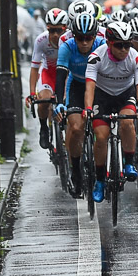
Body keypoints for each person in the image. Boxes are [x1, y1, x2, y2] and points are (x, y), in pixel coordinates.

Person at [83, 20, 138, 203]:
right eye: (119, 45)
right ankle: (100, 181)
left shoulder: (135, 58)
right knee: (101, 136)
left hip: (124, 94)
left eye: (127, 45)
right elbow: (90, 87)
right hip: (101, 96)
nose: (124, 50)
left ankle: (128, 163)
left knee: (127, 122)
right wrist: (88, 109)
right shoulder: (96, 57)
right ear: (109, 43)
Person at [55, 12, 107, 196]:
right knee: (76, 128)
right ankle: (75, 171)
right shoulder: (67, 47)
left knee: (103, 127)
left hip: (99, 86)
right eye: (80, 38)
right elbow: (60, 76)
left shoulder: (102, 45)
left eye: (88, 38)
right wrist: (59, 103)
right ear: (73, 36)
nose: (84, 42)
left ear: (95, 36)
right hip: (76, 86)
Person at [29, 9, 68, 149]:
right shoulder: (41, 40)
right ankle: (44, 128)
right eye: (52, 31)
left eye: (59, 30)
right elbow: (34, 68)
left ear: (66, 28)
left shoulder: (70, 39)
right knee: (43, 100)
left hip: (66, 75)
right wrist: (33, 93)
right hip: (48, 74)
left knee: (67, 102)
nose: (55, 35)